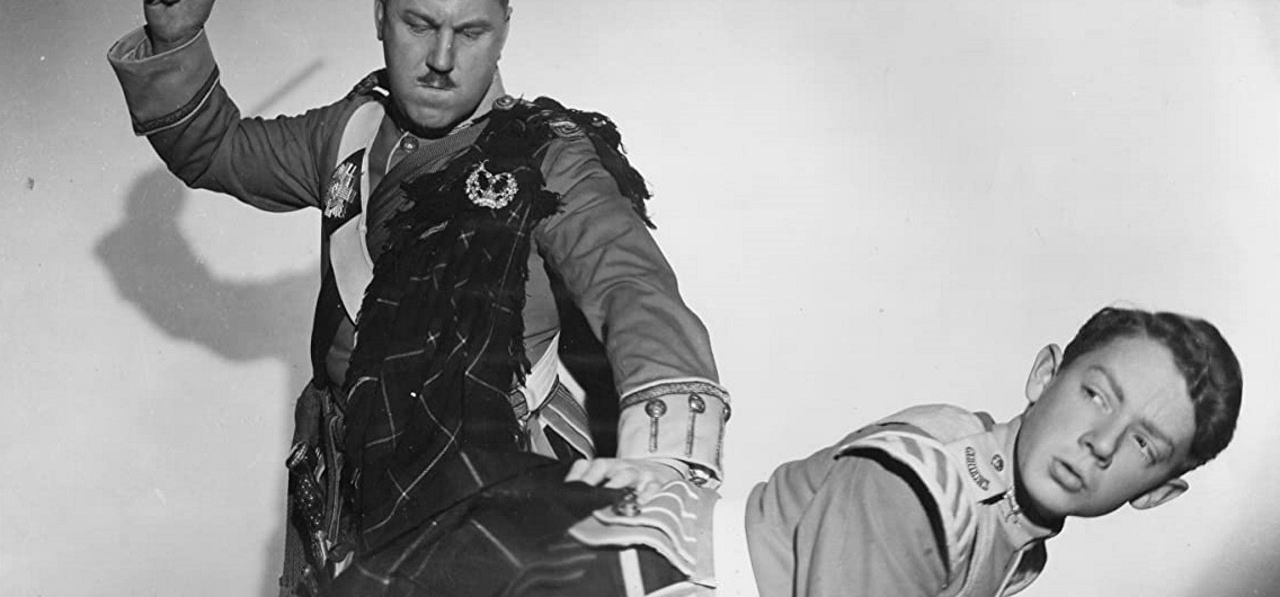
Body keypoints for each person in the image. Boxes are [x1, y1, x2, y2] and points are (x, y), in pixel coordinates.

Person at [106, 0, 729, 595]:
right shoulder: (346, 134)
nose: (441, 59)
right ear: (381, 14)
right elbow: (216, 151)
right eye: (419, 25)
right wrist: (177, 40)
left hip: (489, 499)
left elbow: (632, 288)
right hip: (346, 496)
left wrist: (667, 468)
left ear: (504, 29)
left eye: (470, 31)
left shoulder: (547, 156)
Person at [333, 306, 1241, 596]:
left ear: (1158, 492)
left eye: (1144, 444)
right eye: (1095, 393)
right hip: (620, 572)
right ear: (1045, 374)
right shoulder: (925, 488)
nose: (1099, 443)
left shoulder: (1013, 533)